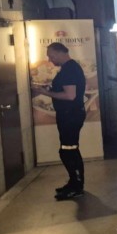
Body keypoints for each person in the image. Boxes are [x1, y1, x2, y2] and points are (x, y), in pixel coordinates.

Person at [32, 42, 86, 200]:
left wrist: (45, 93)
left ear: (60, 53)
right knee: (68, 150)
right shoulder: (70, 68)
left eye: (51, 55)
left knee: (69, 151)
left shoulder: (70, 69)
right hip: (69, 115)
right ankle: (74, 182)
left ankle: (77, 187)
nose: (50, 59)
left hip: (70, 116)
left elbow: (70, 95)